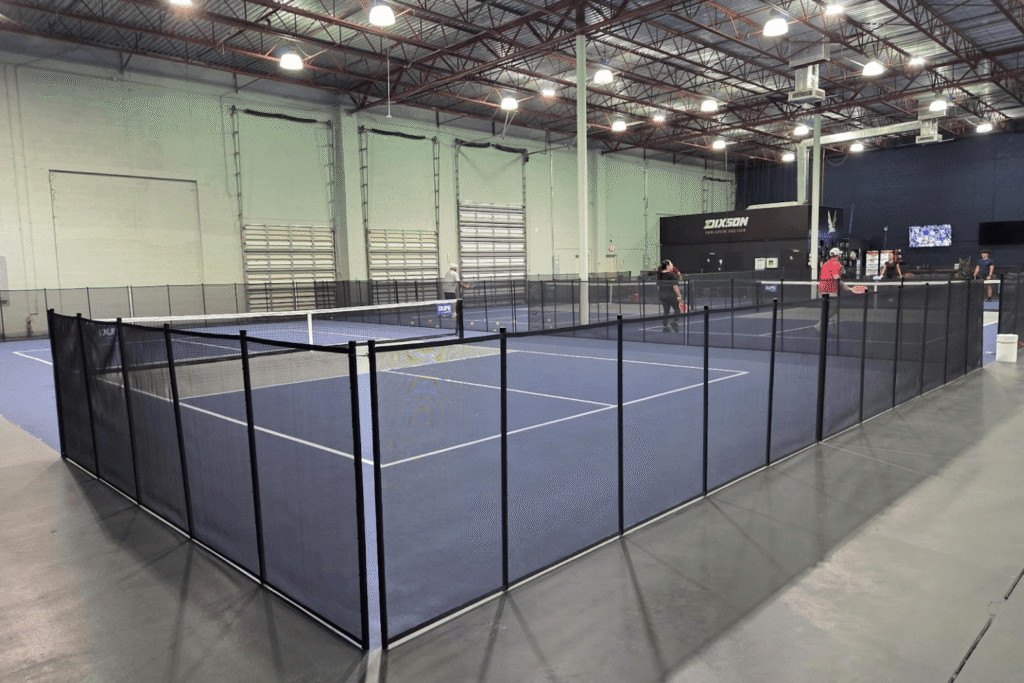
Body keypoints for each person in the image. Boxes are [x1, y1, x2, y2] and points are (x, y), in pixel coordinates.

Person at [814, 247, 844, 333]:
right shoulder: (837, 264)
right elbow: (836, 277)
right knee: (834, 308)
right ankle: (820, 325)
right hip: (830, 290)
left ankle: (822, 325)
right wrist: (844, 285)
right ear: (838, 255)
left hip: (821, 289)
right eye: (840, 255)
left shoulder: (825, 264)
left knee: (826, 309)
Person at [656, 259, 683, 332]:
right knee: (677, 309)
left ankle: (665, 327)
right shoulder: (672, 275)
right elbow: (675, 286)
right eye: (671, 265)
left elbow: (658, 286)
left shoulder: (659, 276)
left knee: (666, 312)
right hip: (671, 295)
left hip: (662, 295)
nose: (672, 266)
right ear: (667, 266)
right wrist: (679, 296)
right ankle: (675, 322)